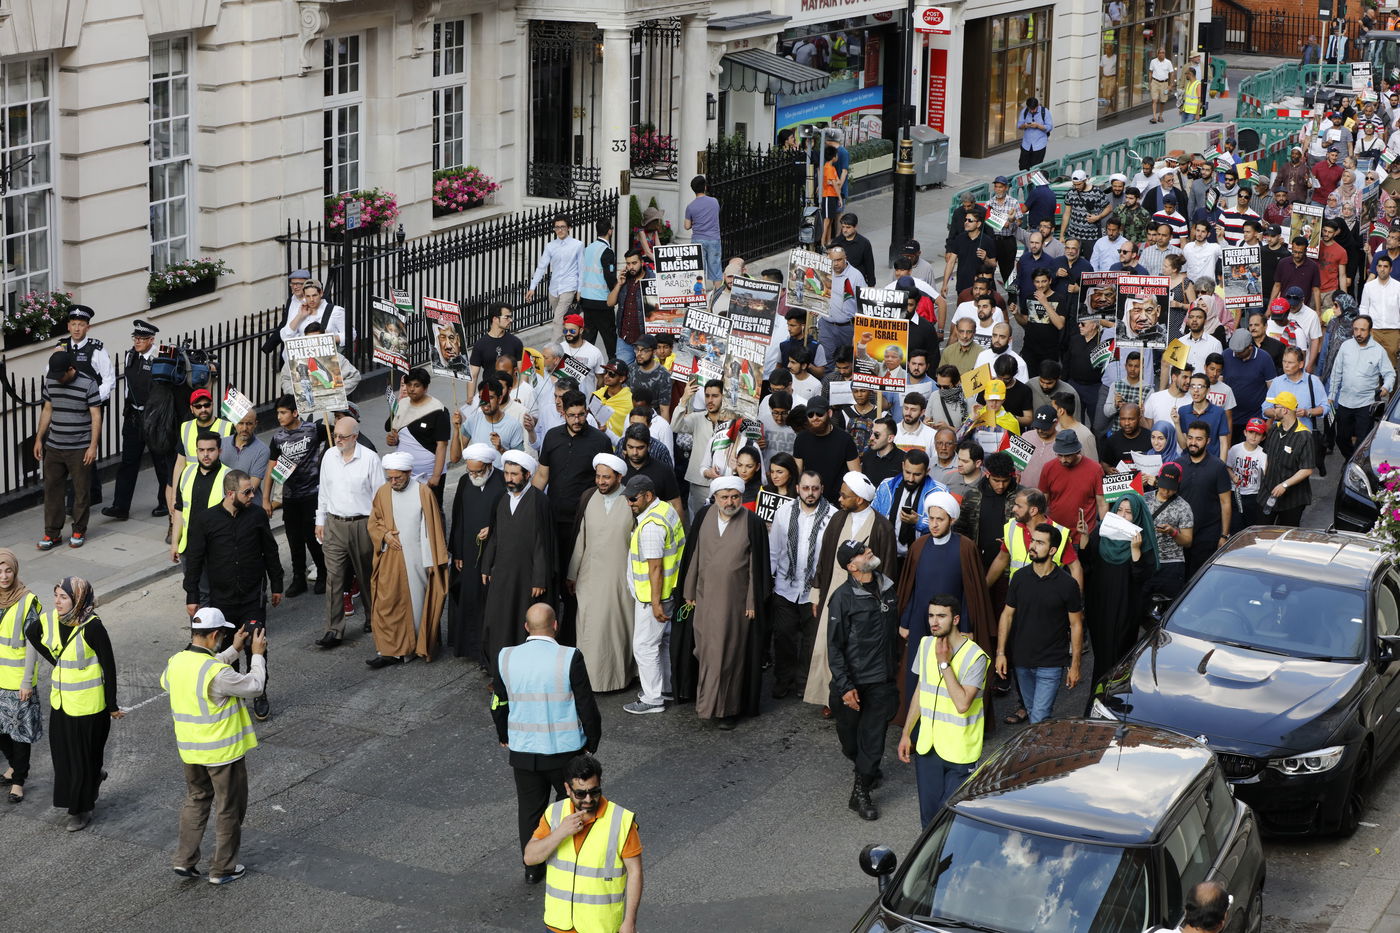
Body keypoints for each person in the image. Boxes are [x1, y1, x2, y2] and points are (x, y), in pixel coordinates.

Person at [494, 605, 602, 886]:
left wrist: (503, 733)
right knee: (573, 803)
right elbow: (585, 703)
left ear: (526, 627)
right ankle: (571, 858)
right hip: (564, 751)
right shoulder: (568, 657)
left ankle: (533, 866)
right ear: (555, 625)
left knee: (529, 810)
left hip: (524, 752)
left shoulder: (506, 656)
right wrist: (592, 740)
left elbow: (499, 702)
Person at [162, 607, 266, 884]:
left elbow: (197, 673)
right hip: (222, 754)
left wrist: (233, 650)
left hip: (190, 751)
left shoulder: (176, 662)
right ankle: (223, 869)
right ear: (215, 635)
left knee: (196, 801)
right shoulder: (219, 673)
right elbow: (254, 685)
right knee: (228, 808)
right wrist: (256, 653)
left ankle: (184, 860)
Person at [182, 469, 283, 720]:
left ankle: (260, 693)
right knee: (227, 650)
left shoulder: (257, 515)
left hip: (252, 597)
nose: (252, 495)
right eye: (246, 492)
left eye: (252, 491)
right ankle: (235, 694)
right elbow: (194, 561)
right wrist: (191, 596)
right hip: (222, 600)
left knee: (255, 645)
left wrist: (277, 584)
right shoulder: (206, 520)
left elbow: (270, 550)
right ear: (230, 493)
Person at [26, 577, 122, 831]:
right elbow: (31, 633)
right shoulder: (49, 620)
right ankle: (91, 780)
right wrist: (55, 660)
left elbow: (108, 668)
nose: (57, 601)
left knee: (81, 758)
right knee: (64, 758)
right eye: (56, 595)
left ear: (79, 600)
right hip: (61, 703)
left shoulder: (93, 627)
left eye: (64, 597)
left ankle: (80, 810)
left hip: (89, 707)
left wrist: (112, 704)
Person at [678, 476, 771, 729]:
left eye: (735, 497)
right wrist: (689, 591)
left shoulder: (751, 522)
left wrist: (752, 601)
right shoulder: (705, 516)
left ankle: (727, 709)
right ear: (715, 498)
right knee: (706, 651)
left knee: (728, 655)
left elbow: (755, 568)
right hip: (704, 599)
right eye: (724, 497)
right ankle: (707, 704)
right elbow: (695, 555)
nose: (730, 502)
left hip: (735, 603)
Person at [805, 473, 897, 711]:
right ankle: (830, 697)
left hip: (864, 598)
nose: (840, 498)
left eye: (845, 496)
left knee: (856, 647)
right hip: (833, 591)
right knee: (829, 644)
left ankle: (855, 697)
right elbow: (823, 558)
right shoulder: (837, 519)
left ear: (859, 500)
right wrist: (817, 593)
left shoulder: (882, 527)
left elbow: (886, 569)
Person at [897, 594, 989, 827]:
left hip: (960, 752)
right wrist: (907, 733)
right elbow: (920, 691)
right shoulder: (926, 644)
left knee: (951, 821)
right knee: (929, 821)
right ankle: (929, 864)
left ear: (956, 619)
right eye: (930, 615)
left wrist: (944, 663)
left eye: (941, 616)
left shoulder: (975, 657)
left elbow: (962, 704)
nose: (934, 622)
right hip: (928, 748)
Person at [524, 753, 642, 933]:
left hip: (599, 927)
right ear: (567, 789)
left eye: (594, 791)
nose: (588, 799)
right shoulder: (555, 813)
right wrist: (561, 832)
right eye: (580, 793)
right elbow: (530, 858)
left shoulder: (621, 821)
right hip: (558, 924)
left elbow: (635, 872)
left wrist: (630, 921)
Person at [827, 540, 900, 821]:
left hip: (882, 680)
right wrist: (845, 687)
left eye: (866, 547)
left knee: (873, 738)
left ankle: (860, 792)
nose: (867, 551)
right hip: (853, 683)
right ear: (852, 566)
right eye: (860, 552)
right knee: (850, 741)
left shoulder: (888, 588)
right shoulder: (842, 597)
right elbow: (835, 646)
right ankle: (865, 766)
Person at [366, 452, 449, 666]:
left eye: (398, 478)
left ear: (409, 473)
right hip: (389, 558)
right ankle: (389, 650)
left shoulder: (423, 493)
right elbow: (374, 522)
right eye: (389, 478)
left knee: (416, 605)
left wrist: (432, 563)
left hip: (417, 561)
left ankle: (413, 648)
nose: (393, 482)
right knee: (386, 603)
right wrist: (384, 535)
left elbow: (432, 529)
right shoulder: (383, 492)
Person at [994, 525, 1084, 724]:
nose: (1032, 546)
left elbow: (1076, 625)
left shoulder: (1067, 585)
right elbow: (1007, 615)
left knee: (1039, 718)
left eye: (1040, 542)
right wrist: (1000, 653)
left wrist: (1075, 664)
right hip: (1022, 660)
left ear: (1053, 550)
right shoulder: (1019, 578)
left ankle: (1036, 753)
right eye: (1033, 540)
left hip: (1050, 663)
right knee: (1033, 711)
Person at [564, 455, 638, 694]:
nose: (601, 481)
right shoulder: (588, 497)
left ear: (619, 477)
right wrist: (572, 574)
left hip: (620, 578)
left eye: (606, 477)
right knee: (589, 628)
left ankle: (617, 678)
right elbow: (580, 538)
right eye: (598, 476)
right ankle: (588, 680)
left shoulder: (632, 500)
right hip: (589, 575)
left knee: (616, 628)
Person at [482, 451, 557, 676]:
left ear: (527, 475)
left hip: (527, 577)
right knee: (498, 622)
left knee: (521, 623)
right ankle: (499, 672)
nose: (509, 478)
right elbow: (495, 534)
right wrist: (487, 564)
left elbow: (543, 542)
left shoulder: (539, 501)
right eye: (506, 473)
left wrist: (539, 578)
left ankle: (523, 673)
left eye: (514, 474)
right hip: (503, 574)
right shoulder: (502, 499)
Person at [1078, 493, 1158, 692]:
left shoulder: (1142, 540)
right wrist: (1085, 538)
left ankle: (1110, 697)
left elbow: (1143, 580)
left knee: (1118, 655)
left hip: (1125, 608)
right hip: (1099, 606)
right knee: (1103, 653)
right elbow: (1087, 565)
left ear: (1138, 516)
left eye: (1129, 512)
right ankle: (1100, 695)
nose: (1122, 516)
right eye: (1120, 510)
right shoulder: (1102, 533)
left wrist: (1136, 551)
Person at [314, 417, 382, 648]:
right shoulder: (329, 457)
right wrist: (320, 520)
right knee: (333, 578)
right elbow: (323, 489)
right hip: (334, 524)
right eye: (335, 434)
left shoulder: (370, 459)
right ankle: (334, 629)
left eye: (343, 436)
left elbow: (379, 497)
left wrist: (377, 528)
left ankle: (373, 618)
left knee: (366, 575)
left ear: (355, 436)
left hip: (362, 524)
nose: (337, 439)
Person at [768, 470, 834, 700]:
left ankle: (804, 682)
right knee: (783, 636)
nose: (810, 493)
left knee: (810, 639)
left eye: (815, 488)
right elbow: (774, 551)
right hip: (786, 587)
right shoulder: (784, 513)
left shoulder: (832, 516)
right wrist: (769, 581)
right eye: (806, 488)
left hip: (813, 591)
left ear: (822, 489)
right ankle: (783, 679)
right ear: (797, 488)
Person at [622, 475, 685, 714]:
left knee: (644, 646)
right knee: (662, 643)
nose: (629, 503)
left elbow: (655, 568)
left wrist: (656, 603)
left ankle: (653, 698)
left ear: (648, 495)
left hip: (653, 598)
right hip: (669, 591)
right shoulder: (665, 509)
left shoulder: (650, 527)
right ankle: (666, 687)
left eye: (633, 498)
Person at [35, 350, 102, 550]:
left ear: (71, 369)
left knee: (81, 490)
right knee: (52, 490)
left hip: (79, 447)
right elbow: (48, 409)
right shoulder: (52, 381)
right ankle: (52, 534)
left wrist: (92, 446)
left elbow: (96, 416)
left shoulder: (88, 384)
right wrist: (39, 438)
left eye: (61, 375)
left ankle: (79, 530)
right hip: (54, 446)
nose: (58, 379)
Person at [447, 444, 507, 665]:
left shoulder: (502, 481)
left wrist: (493, 528)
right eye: (470, 472)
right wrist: (459, 552)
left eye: (478, 472)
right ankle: (470, 647)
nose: (474, 476)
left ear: (490, 466)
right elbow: (459, 517)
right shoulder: (465, 482)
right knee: (469, 596)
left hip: (494, 552)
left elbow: (508, 515)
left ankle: (488, 650)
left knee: (489, 600)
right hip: (469, 553)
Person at [105, 319, 170, 520]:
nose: (137, 342)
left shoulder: (161, 357)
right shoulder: (130, 355)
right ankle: (120, 506)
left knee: (161, 463)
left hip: (154, 419)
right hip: (134, 416)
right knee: (128, 463)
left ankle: (165, 503)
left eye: (142, 339)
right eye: (136, 338)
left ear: (152, 339)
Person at [263, 396, 326, 597]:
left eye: (283, 412)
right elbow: (271, 469)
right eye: (278, 413)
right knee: (294, 540)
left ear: (295, 413)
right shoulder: (278, 439)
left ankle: (323, 574)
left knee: (313, 538)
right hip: (290, 497)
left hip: (312, 495)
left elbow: (336, 438)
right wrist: (266, 499)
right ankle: (299, 578)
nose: (279, 417)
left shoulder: (314, 430)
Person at [0, 550, 41, 804]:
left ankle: (18, 781)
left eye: (8, 570)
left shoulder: (27, 601)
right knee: (2, 731)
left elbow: (32, 645)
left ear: (15, 572)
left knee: (19, 733)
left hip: (17, 681)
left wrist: (27, 681)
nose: (3, 576)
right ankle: (15, 766)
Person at [1330, 314, 1396, 460]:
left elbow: (1390, 374)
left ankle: (1353, 464)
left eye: (1362, 330)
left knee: (1363, 441)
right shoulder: (1345, 346)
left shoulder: (1378, 350)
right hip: (1345, 401)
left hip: (1366, 403)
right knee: (1341, 438)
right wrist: (1331, 396)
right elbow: (1336, 372)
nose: (1358, 333)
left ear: (1370, 331)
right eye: (1355, 329)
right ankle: (1350, 460)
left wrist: (1386, 387)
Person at [1175, 421, 1234, 577]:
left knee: (1201, 578)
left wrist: (1224, 535)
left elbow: (1226, 503)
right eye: (1190, 438)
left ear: (1208, 441)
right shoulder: (1178, 464)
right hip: (1180, 534)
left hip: (1208, 535)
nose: (1193, 443)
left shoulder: (1218, 467)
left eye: (1199, 439)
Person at [385, 368, 450, 503]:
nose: (411, 389)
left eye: (416, 385)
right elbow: (396, 434)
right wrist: (393, 440)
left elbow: (442, 445)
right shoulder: (401, 404)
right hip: (404, 473)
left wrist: (436, 477)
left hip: (428, 475)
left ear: (425, 388)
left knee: (433, 512)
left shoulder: (439, 410)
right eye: (409, 385)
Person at [170, 432, 229, 573]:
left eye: (211, 450)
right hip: (189, 549)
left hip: (215, 550)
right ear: (196, 451)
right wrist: (174, 544)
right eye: (201, 450)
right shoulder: (187, 473)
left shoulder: (228, 477)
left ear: (219, 451)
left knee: (212, 592)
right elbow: (179, 510)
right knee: (192, 591)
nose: (206, 455)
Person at [1258, 391, 1314, 526]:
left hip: (1292, 500)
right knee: (1262, 532)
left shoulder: (1304, 436)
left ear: (1284, 410)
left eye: (1275, 407)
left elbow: (1307, 469)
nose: (1272, 410)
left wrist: (1284, 485)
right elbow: (1268, 458)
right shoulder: (1274, 429)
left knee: (1286, 536)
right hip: (1268, 492)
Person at [793, 396, 861, 506]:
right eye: (810, 415)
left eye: (819, 414)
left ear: (829, 413)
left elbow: (856, 476)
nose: (815, 418)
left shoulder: (845, 440)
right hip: (809, 500)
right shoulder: (801, 439)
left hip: (837, 503)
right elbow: (797, 473)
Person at [526, 214, 585, 337]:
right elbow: (541, 267)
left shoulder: (577, 245)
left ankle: (554, 350)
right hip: (553, 289)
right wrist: (532, 287)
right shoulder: (550, 246)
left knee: (557, 320)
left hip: (569, 287)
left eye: (563, 227)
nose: (560, 230)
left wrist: (579, 290)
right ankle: (569, 344)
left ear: (569, 228)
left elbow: (581, 268)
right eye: (557, 227)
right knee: (562, 321)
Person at [1039, 430, 1106, 534]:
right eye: (1059, 455)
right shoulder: (1048, 468)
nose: (1063, 460)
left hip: (1084, 535)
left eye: (1068, 455)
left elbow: (1102, 503)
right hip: (1055, 533)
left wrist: (1103, 531)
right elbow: (1043, 500)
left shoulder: (1095, 469)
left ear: (1077, 451)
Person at [578, 220, 619, 359]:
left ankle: (583, 365)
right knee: (609, 336)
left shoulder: (589, 248)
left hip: (587, 299)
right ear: (609, 231)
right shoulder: (607, 251)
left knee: (589, 337)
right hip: (602, 300)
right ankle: (613, 364)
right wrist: (616, 293)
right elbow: (610, 276)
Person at [219, 410, 270, 507]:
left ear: (255, 424)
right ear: (234, 423)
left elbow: (251, 487)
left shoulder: (262, 450)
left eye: (249, 424)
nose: (244, 428)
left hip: (249, 507)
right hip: (223, 505)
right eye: (241, 423)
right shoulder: (221, 444)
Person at [684, 175, 723, 290]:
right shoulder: (714, 202)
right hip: (714, 239)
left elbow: (686, 226)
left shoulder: (690, 207)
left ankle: (701, 297)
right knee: (716, 268)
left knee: (699, 270)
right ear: (705, 187)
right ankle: (717, 296)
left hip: (697, 239)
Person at [1017, 96, 1053, 170]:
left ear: (1038, 105)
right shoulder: (1025, 111)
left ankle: (1032, 181)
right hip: (1026, 144)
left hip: (1039, 144)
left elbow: (1049, 127)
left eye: (1034, 109)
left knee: (1035, 168)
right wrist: (1025, 125)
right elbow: (1019, 126)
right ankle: (1024, 181)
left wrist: (1038, 126)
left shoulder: (1045, 111)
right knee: (1022, 166)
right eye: (1030, 109)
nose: (1032, 111)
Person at [1148, 48, 1175, 123]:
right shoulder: (1153, 61)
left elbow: (1172, 73)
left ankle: (1160, 115)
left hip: (1164, 84)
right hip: (1155, 82)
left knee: (1163, 101)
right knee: (1154, 99)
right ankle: (1154, 117)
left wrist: (1171, 85)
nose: (1162, 54)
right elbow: (1150, 71)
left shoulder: (1168, 62)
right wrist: (1149, 83)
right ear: (1158, 54)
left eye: (1163, 53)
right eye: (1161, 53)